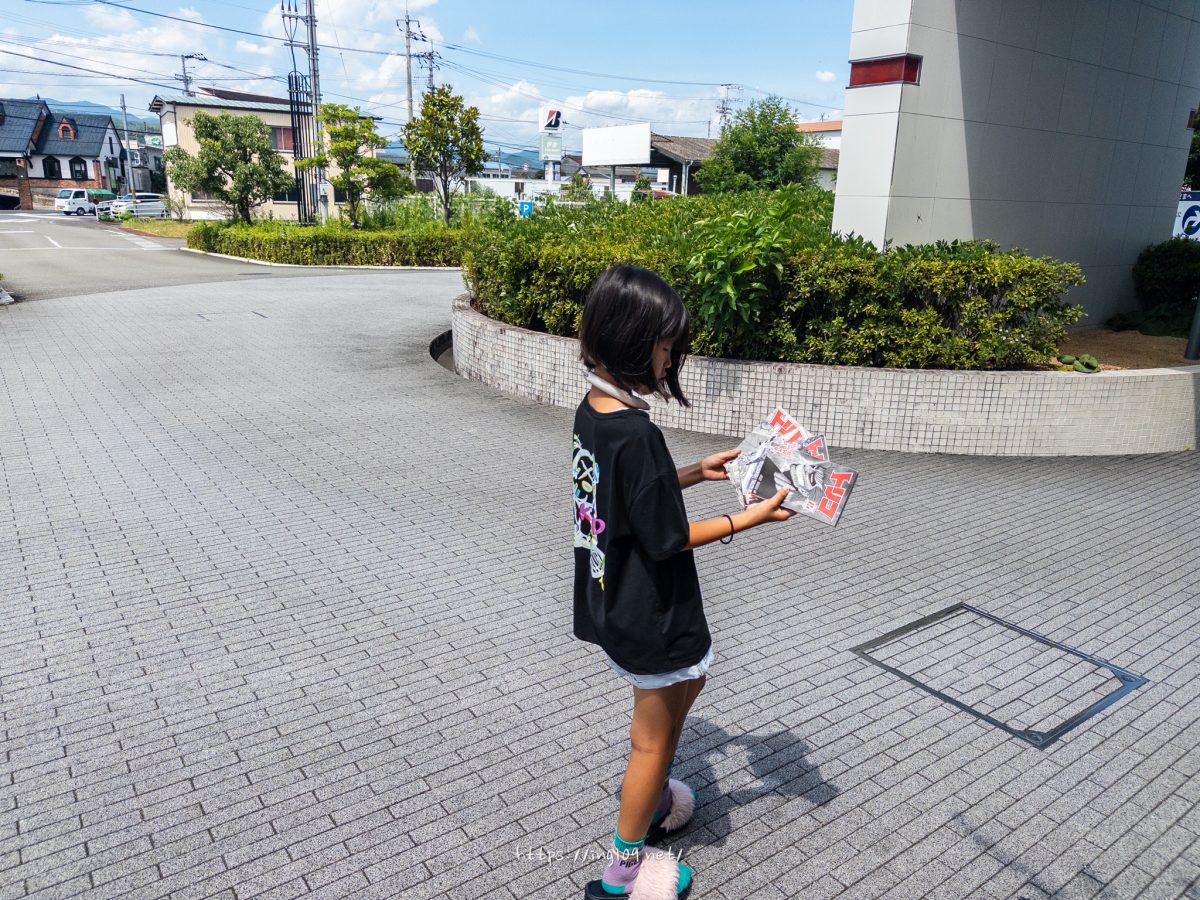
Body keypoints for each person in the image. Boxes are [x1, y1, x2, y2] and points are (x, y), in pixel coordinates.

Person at [572, 265, 794, 899]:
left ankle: (657, 799)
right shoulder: (636, 432)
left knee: (687, 687)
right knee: (650, 740)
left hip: (618, 598)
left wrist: (696, 470)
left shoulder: (595, 412)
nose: (670, 359)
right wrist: (748, 518)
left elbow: (632, 499)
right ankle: (622, 873)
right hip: (650, 611)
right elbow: (666, 536)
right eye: (666, 346)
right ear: (631, 340)